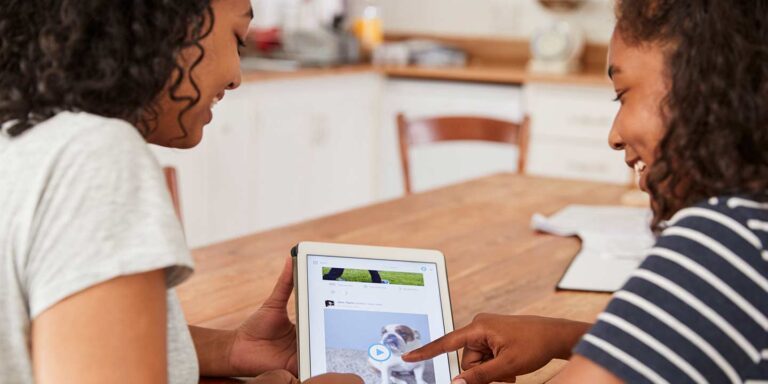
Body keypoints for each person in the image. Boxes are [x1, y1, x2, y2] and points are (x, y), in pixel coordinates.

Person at [403, 1, 768, 383]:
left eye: (623, 94)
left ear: (705, 89)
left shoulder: (726, 243)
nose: (614, 135)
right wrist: (569, 337)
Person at [0, 1, 362, 383]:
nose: (236, 77)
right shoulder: (93, 156)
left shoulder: (23, 139)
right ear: (164, 24)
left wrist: (229, 348)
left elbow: (55, 339)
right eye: (237, 39)